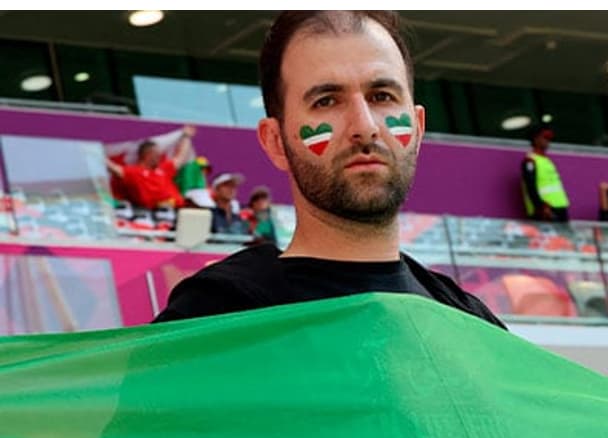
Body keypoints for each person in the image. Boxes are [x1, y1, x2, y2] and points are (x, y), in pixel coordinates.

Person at [153, 10, 501, 329]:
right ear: (275, 142)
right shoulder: (221, 314)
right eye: (326, 101)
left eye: (381, 96)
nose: (365, 126)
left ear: (418, 128)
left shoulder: (471, 323)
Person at [104, 125, 196, 210]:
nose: (159, 156)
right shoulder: (134, 172)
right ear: (147, 155)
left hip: (180, 209)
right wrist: (95, 152)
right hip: (157, 213)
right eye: (156, 154)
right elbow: (113, 168)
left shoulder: (164, 168)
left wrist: (186, 136)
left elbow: (181, 157)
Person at [520, 124, 570, 223]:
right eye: (545, 137)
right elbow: (531, 187)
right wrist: (541, 207)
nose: (548, 140)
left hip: (560, 207)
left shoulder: (547, 161)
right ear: (535, 139)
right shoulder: (530, 160)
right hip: (545, 211)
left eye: (549, 138)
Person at [208, 172, 252, 238]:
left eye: (233, 186)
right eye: (226, 185)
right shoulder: (209, 214)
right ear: (216, 190)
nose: (231, 189)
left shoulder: (238, 218)